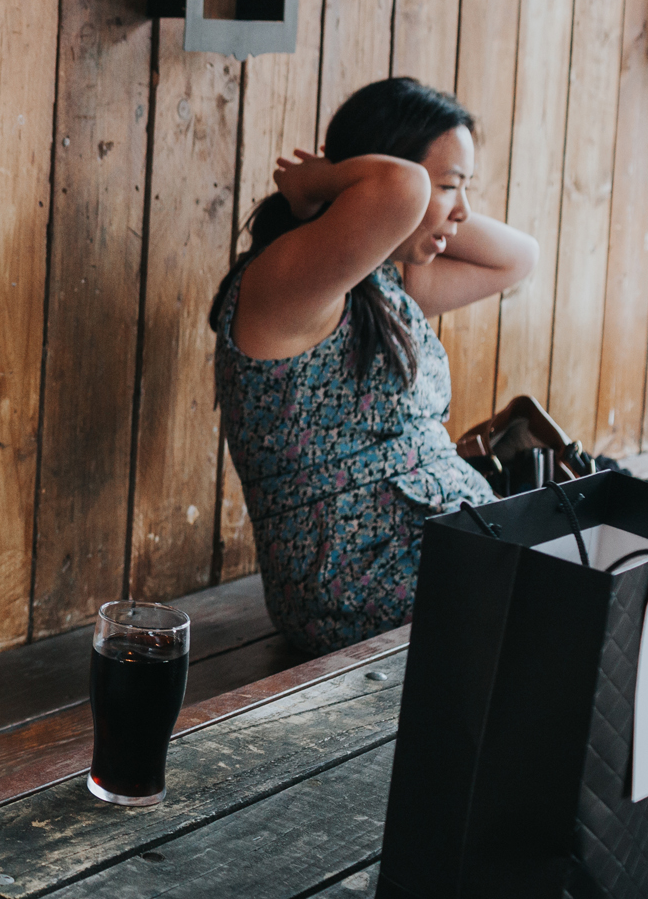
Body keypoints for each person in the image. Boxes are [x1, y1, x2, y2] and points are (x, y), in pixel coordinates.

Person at [209, 77, 538, 656]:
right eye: (449, 186)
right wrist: (321, 183)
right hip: (351, 582)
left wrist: (427, 204)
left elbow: (517, 257)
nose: (462, 210)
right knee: (580, 605)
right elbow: (401, 187)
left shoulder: (379, 282)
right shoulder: (290, 284)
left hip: (434, 548)